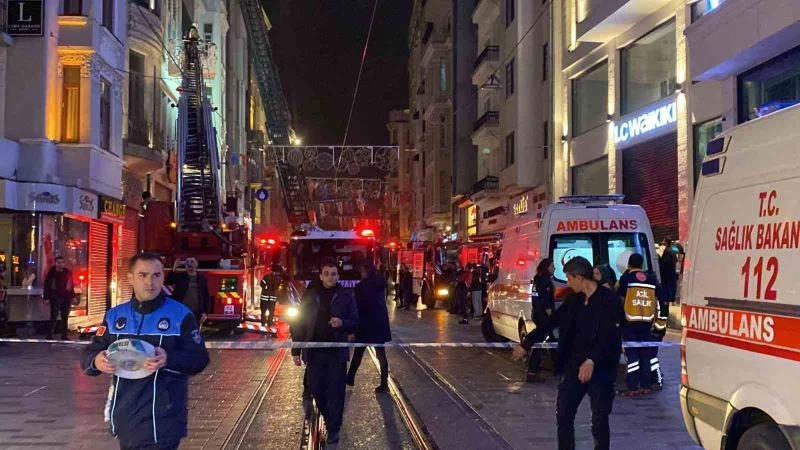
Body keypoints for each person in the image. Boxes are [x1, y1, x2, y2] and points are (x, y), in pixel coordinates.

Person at [81, 252, 210, 450]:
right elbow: (92, 351)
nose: (150, 282)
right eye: (143, 275)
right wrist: (95, 360)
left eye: (156, 275)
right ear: (130, 278)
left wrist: (169, 359)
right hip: (126, 417)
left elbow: (199, 359)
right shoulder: (115, 316)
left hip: (163, 417)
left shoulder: (180, 315)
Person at [512, 256, 623, 450]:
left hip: (601, 368)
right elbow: (551, 322)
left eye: (569, 279)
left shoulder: (609, 300)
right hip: (574, 366)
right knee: (563, 414)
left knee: (599, 419)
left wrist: (592, 360)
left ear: (580, 278)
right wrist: (526, 343)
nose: (568, 283)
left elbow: (611, 336)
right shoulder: (574, 301)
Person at [291, 260, 359, 444]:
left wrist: (342, 322)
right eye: (327, 273)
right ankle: (330, 418)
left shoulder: (346, 296)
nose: (331, 277)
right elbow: (299, 323)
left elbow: (355, 321)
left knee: (336, 392)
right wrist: (296, 349)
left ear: (338, 276)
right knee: (316, 389)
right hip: (314, 352)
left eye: (334, 273)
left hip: (336, 353)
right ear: (321, 276)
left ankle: (334, 428)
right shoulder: (311, 296)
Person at [617, 253, 664, 396]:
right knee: (645, 355)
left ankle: (632, 387)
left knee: (632, 357)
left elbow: (619, 296)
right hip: (647, 323)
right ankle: (646, 386)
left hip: (629, 323)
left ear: (629, 265)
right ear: (642, 265)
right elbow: (658, 299)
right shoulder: (651, 279)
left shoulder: (626, 278)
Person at [347, 263, 392, 393]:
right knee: (381, 355)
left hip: (365, 325)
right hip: (378, 325)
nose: (361, 273)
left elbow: (358, 307)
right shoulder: (380, 284)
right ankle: (384, 383)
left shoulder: (361, 286)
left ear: (366, 270)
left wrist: (353, 327)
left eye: (362, 270)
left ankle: (350, 378)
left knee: (358, 353)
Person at [527, 258, 556, 382]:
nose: (554, 269)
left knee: (551, 339)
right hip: (543, 316)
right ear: (547, 267)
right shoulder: (544, 280)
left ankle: (555, 366)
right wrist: (550, 313)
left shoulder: (537, 278)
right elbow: (545, 298)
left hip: (538, 313)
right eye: (552, 266)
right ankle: (532, 371)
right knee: (540, 342)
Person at [165, 257, 211, 325]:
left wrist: (205, 313)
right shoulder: (180, 277)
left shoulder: (202, 279)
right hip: (181, 312)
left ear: (197, 264)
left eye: (192, 262)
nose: (189, 264)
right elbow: (168, 281)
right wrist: (174, 267)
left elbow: (206, 297)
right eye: (187, 262)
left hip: (196, 313)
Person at [44, 256, 76, 340]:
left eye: (61, 262)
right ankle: (49, 335)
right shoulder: (51, 273)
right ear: (55, 263)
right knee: (53, 316)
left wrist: (72, 296)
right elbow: (46, 286)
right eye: (58, 262)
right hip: (55, 298)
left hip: (66, 297)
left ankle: (64, 335)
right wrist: (46, 298)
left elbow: (71, 285)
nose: (60, 264)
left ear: (64, 263)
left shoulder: (67, 273)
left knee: (65, 317)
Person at [659, 237, 678, 304]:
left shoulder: (666, 251)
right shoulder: (673, 251)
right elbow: (676, 260)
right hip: (672, 273)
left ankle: (666, 303)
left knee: (666, 292)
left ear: (666, 242)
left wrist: (659, 259)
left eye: (664, 241)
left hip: (667, 274)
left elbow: (663, 263)